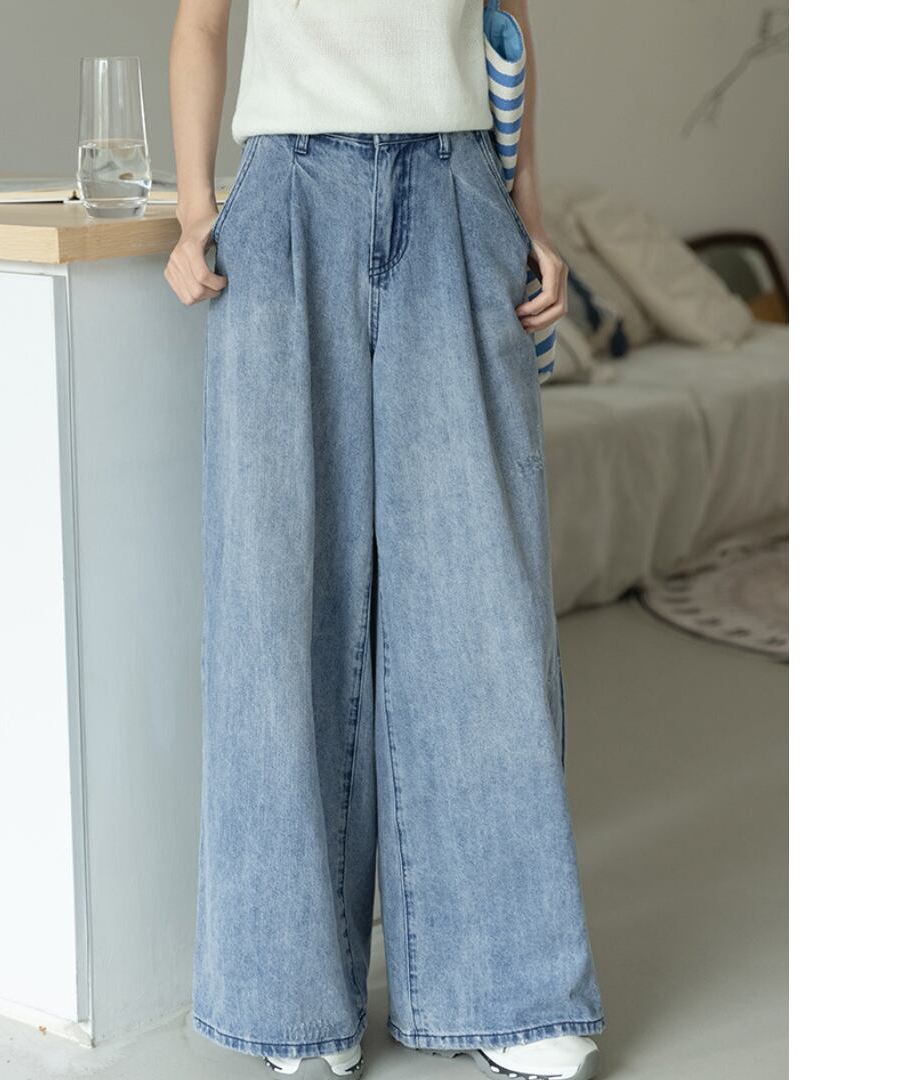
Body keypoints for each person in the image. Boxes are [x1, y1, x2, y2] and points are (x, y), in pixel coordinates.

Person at [165, 2, 605, 1077]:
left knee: (480, 599)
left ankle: (508, 986)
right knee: (279, 598)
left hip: (457, 184)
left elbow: (508, 20)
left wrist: (529, 214)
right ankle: (288, 1001)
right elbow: (201, 23)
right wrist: (194, 209)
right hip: (287, 193)